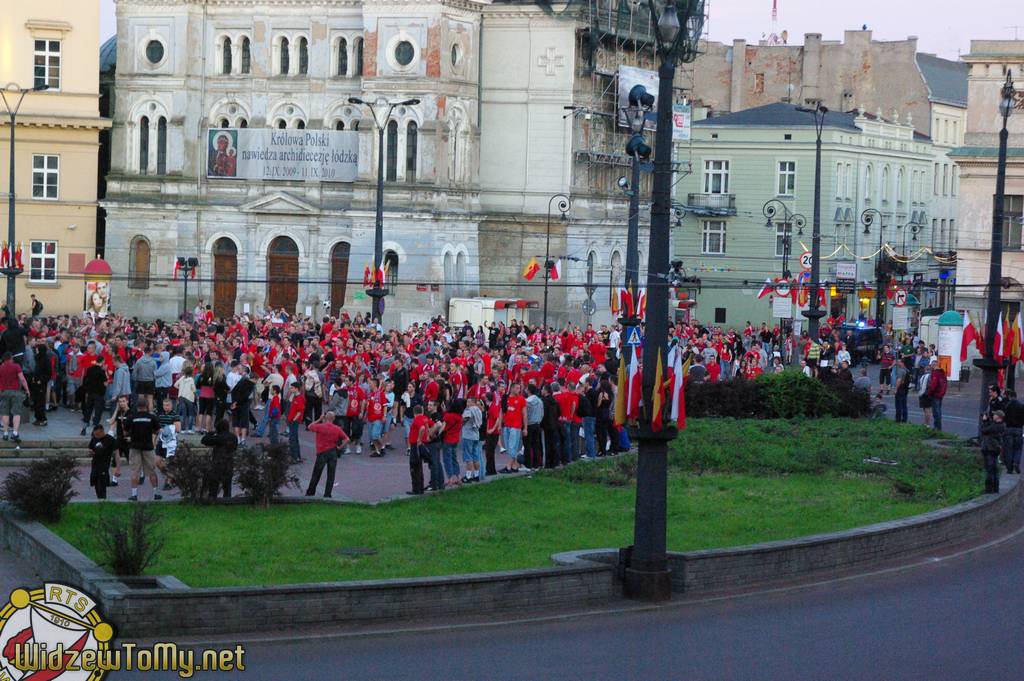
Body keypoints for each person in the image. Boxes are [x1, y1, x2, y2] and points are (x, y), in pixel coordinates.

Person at [306, 410, 349, 498]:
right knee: (331, 474)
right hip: (333, 452)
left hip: (322, 452)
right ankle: (327, 494)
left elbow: (309, 426)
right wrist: (340, 447)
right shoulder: (337, 428)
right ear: (333, 419)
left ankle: (310, 492)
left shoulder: (320, 427)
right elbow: (347, 439)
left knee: (316, 473)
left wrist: (319, 419)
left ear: (325, 418)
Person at [126, 402, 161, 502]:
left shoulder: (132, 417)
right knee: (152, 471)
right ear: (146, 407)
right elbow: (158, 430)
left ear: (137, 407)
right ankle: (155, 494)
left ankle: (134, 495)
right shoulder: (151, 417)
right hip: (148, 447)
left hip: (134, 446)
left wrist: (131, 435)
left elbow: (125, 431)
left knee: (135, 472)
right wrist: (152, 434)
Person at [201, 419, 237, 499]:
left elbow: (204, 440)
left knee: (214, 484)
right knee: (227, 486)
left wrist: (210, 433)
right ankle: (227, 500)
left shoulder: (219, 437)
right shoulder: (233, 437)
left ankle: (212, 499)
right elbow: (235, 448)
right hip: (229, 463)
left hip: (217, 464)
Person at [0, 352, 30, 447]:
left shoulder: (1, 368)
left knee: (4, 413)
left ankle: (5, 433)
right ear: (10, 358)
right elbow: (22, 379)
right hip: (15, 392)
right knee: (16, 413)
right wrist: (27, 389)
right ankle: (15, 433)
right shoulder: (16, 366)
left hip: (4, 392)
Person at [88, 423, 118, 499]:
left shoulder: (110, 440)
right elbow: (90, 447)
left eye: (97, 434)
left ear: (102, 432)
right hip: (94, 464)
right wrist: (91, 452)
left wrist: (117, 467)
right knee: (95, 483)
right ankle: (99, 499)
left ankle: (103, 499)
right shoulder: (94, 439)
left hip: (104, 465)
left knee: (102, 485)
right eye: (95, 434)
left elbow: (117, 454)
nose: (96, 436)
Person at [980, 410, 1006, 494]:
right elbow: (990, 428)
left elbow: (984, 430)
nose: (993, 415)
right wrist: (988, 420)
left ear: (998, 417)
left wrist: (984, 421)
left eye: (995, 415)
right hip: (995, 449)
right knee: (995, 469)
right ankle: (995, 489)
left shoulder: (996, 426)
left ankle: (989, 490)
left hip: (989, 449)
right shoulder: (1002, 425)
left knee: (989, 469)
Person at [461, 397, 483, 483]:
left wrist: (461, 420)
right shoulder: (479, 410)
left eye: (469, 402)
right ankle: (476, 475)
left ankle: (468, 476)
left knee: (468, 456)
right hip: (476, 435)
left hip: (468, 435)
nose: (467, 403)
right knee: (475, 456)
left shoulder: (469, 410)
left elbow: (465, 419)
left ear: (473, 402)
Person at [1003, 389, 1024, 474]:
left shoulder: (1006, 406)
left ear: (1009, 396)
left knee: (1009, 449)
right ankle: (1016, 462)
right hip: (1018, 429)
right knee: (1018, 448)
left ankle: (1009, 468)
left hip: (1008, 428)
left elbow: (1004, 418)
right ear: (1016, 396)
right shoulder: (1021, 406)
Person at [925, 358, 948, 431]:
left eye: (931, 365)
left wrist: (929, 392)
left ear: (933, 365)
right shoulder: (942, 373)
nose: (930, 367)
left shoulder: (935, 373)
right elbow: (945, 384)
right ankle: (938, 427)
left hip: (935, 394)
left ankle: (937, 427)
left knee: (936, 411)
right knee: (938, 411)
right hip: (940, 394)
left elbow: (933, 384)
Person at [286, 383, 305, 463]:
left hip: (294, 422)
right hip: (292, 420)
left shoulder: (299, 398)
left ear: (296, 389)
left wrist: (294, 420)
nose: (290, 389)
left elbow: (300, 411)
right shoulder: (295, 397)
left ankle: (294, 457)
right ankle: (297, 456)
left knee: (292, 439)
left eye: (292, 388)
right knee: (294, 439)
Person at [893, 358, 910, 424]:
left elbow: (899, 380)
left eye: (898, 362)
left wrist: (895, 389)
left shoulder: (901, 370)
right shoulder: (907, 370)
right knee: (904, 404)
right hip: (905, 389)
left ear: (902, 363)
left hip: (900, 389)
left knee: (898, 405)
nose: (897, 363)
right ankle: (904, 419)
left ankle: (898, 419)